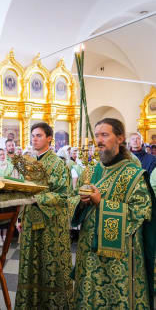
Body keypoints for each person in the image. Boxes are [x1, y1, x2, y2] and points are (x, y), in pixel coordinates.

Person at [71, 118, 155, 309]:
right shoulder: (90, 171)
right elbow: (73, 198)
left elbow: (140, 212)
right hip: (88, 256)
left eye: (105, 135)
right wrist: (81, 203)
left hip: (120, 261)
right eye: (97, 135)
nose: (99, 140)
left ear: (120, 138)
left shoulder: (133, 174)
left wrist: (102, 203)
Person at [15, 122, 73, 309]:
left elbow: (64, 195)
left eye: (39, 135)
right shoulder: (31, 163)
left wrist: (36, 198)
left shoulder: (57, 163)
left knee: (49, 267)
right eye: (33, 135)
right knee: (32, 266)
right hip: (31, 222)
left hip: (51, 226)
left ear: (49, 138)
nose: (34, 139)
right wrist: (20, 218)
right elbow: (26, 193)